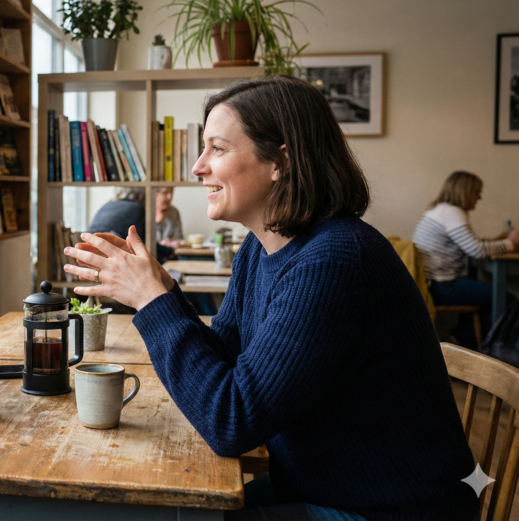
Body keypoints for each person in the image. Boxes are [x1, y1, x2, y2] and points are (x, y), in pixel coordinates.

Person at [63, 75, 478, 521]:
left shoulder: (334, 263)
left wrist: (152, 302)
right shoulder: (264, 248)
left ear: (280, 160)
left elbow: (231, 421)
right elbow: (226, 360)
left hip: (388, 508)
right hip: (326, 486)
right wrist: (162, 291)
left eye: (217, 149)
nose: (198, 167)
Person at [413, 171, 519, 349]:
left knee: (484, 291)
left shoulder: (440, 210)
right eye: (477, 192)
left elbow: (468, 244)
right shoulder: (452, 212)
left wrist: (498, 240)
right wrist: (510, 243)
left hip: (432, 282)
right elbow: (476, 250)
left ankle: (462, 340)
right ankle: (476, 346)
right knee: (505, 298)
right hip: (442, 285)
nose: (479, 197)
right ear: (466, 191)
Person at [154, 186, 183, 252]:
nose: (169, 197)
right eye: (165, 193)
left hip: (170, 254)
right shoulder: (144, 210)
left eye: (171, 193)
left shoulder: (174, 211)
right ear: (155, 194)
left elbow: (179, 237)